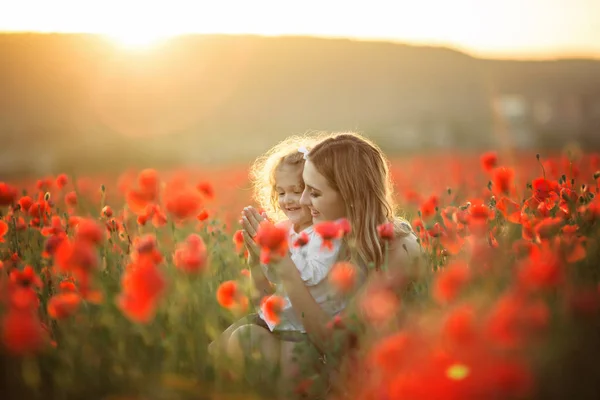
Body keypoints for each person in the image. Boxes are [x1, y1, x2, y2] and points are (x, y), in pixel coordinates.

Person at [231, 132, 423, 397]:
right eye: (303, 188)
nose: (304, 202)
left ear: (350, 194)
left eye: (314, 192)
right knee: (241, 339)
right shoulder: (325, 235)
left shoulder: (397, 249)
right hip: (309, 350)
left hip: (357, 376)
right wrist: (257, 258)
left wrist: (286, 268)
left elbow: (336, 346)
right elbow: (276, 307)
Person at [209, 135, 343, 359]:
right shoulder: (284, 229)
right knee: (215, 351)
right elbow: (273, 278)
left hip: (302, 329)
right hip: (275, 319)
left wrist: (281, 253)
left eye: (297, 190)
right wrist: (258, 256)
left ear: (315, 190)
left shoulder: (325, 235)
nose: (288, 199)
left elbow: (311, 275)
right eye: (281, 192)